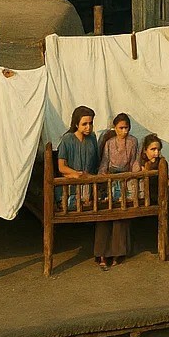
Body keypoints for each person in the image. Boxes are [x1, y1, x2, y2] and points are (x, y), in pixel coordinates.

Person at [56, 106, 103, 264]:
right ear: (76, 124)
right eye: (84, 124)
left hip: (88, 181)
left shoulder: (92, 138)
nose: (88, 127)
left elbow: (95, 163)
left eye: (90, 123)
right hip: (72, 181)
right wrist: (76, 174)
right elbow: (61, 167)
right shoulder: (67, 139)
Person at [95, 112, 137, 267]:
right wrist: (102, 178)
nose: (124, 131)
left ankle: (118, 253)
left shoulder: (133, 142)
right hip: (110, 180)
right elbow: (104, 162)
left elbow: (134, 162)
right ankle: (101, 254)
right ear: (115, 128)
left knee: (121, 215)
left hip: (125, 180)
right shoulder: (109, 143)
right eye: (121, 128)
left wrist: (134, 176)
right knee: (105, 215)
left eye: (126, 127)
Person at [137, 132, 165, 206]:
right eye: (153, 149)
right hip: (143, 200)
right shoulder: (140, 165)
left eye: (158, 150)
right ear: (145, 150)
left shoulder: (161, 163)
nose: (156, 153)